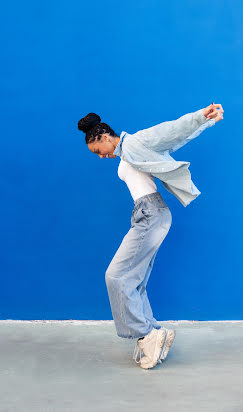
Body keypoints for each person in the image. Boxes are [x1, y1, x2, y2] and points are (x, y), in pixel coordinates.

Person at [78, 103, 224, 369]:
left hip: (151, 213)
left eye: (98, 151)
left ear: (104, 137)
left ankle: (147, 335)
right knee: (133, 279)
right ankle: (155, 331)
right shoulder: (125, 153)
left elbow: (171, 131)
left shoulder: (135, 142)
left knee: (116, 276)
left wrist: (202, 117)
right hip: (146, 214)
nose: (101, 156)